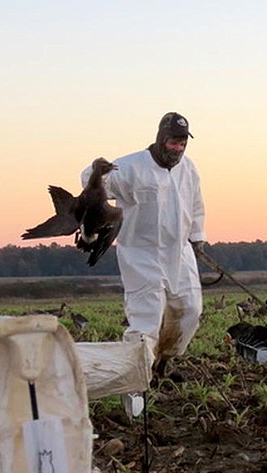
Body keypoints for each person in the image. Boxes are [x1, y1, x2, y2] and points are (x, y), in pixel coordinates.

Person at [83, 112, 206, 416]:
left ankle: (163, 360)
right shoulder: (131, 166)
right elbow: (91, 181)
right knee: (147, 317)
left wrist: (197, 236)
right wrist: (96, 171)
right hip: (141, 254)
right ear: (160, 138)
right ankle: (135, 384)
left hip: (180, 252)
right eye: (173, 142)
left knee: (189, 309)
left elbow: (196, 204)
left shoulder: (188, 169)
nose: (177, 148)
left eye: (182, 143)